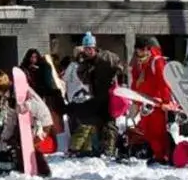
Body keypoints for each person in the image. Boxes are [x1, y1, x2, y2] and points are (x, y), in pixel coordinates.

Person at [66, 32, 125, 158]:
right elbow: (83, 78)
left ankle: (110, 149)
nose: (89, 51)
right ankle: (100, 148)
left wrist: (118, 80)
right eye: (86, 49)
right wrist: (83, 65)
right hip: (96, 95)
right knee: (98, 123)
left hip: (109, 94)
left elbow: (120, 67)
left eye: (91, 48)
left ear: (95, 47)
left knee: (109, 123)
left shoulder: (107, 56)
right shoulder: (85, 63)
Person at [0, 70, 53, 177]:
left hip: (42, 122)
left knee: (31, 146)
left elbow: (37, 105)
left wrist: (26, 105)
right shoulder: (9, 97)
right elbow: (11, 119)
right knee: (18, 143)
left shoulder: (22, 90)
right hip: (29, 124)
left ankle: (43, 171)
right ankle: (23, 167)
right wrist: (5, 136)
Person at [128, 36, 174, 164]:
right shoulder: (140, 62)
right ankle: (156, 154)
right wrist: (135, 102)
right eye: (137, 50)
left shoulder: (156, 61)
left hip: (157, 103)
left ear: (148, 49)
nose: (138, 52)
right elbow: (136, 84)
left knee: (157, 132)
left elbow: (163, 82)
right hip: (145, 102)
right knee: (147, 130)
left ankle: (162, 157)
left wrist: (166, 101)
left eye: (141, 50)